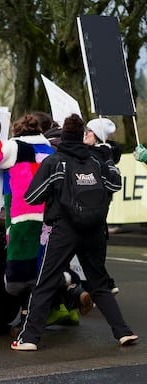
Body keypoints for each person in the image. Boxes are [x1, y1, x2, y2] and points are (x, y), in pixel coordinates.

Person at [12, 114, 139, 351]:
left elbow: (31, 196)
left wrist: (53, 195)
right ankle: (124, 332)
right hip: (95, 230)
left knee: (46, 282)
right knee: (100, 284)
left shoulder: (55, 162)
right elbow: (114, 184)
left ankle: (29, 338)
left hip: (64, 231)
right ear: (82, 136)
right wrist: (109, 160)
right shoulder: (97, 159)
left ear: (62, 137)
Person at [0, 110, 91, 335]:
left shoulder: (16, 147)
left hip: (22, 217)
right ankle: (71, 287)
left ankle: (26, 323)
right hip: (48, 216)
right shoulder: (48, 149)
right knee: (45, 265)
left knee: (23, 274)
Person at [84, 117, 121, 294]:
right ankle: (105, 284)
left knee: (90, 253)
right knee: (92, 254)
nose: (85, 133)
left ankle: (103, 287)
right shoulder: (102, 154)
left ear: (98, 136)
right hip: (95, 215)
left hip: (92, 211)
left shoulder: (99, 156)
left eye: (89, 131)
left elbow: (113, 184)